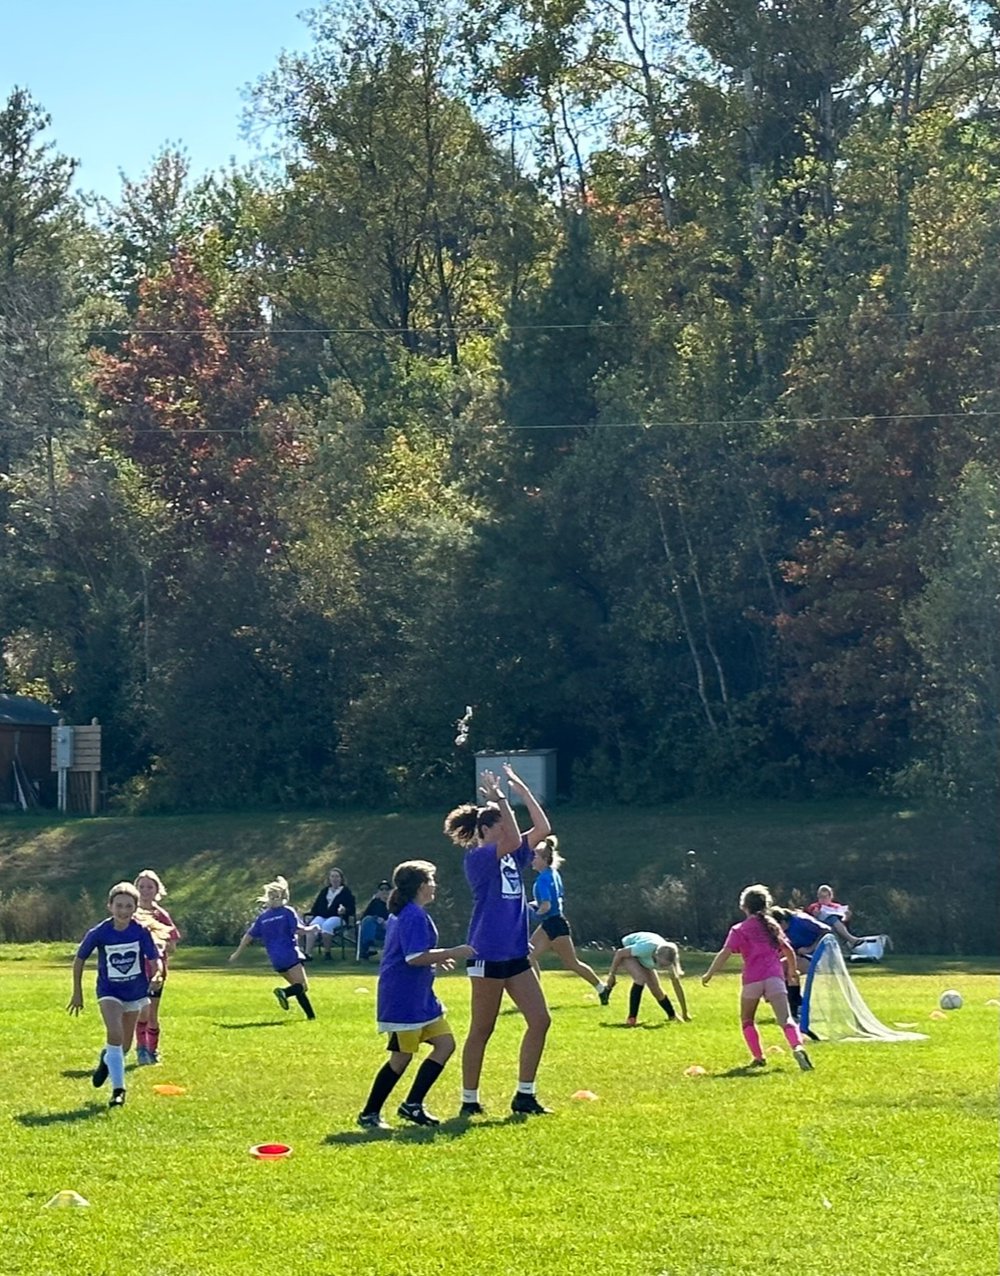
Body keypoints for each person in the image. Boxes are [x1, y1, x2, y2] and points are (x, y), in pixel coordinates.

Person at [444, 764, 553, 1118]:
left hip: (516, 954)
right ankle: (469, 1099)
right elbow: (514, 839)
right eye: (502, 824)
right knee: (483, 1028)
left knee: (540, 1020)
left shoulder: (513, 855)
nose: (509, 829)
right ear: (485, 831)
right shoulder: (478, 859)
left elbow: (543, 828)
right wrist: (501, 799)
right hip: (487, 953)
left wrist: (520, 789)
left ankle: (525, 1095)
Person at [357, 861, 475, 1130]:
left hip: (421, 998)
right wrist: (452, 952)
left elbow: (419, 953)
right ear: (421, 886)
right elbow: (413, 958)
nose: (435, 885)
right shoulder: (411, 915)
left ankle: (412, 1105)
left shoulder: (414, 912)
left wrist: (437, 958)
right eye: (432, 880)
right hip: (402, 999)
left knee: (445, 1045)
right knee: (401, 1057)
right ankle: (369, 1113)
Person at [67, 881, 164, 1108]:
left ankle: (106, 1059)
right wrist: (77, 992)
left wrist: (157, 974)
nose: (123, 911)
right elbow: (79, 959)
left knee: (124, 1046)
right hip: (109, 992)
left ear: (135, 908)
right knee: (114, 1031)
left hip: (135, 993)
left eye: (128, 906)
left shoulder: (140, 932)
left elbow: (154, 958)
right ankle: (118, 1090)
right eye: (118, 906)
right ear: (109, 906)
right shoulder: (100, 932)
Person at [701, 884, 814, 1071]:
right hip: (774, 977)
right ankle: (797, 1047)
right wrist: (792, 972)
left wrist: (709, 974)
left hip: (752, 979)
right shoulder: (771, 926)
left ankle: (758, 1057)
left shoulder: (739, 929)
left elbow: (725, 953)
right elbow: (788, 950)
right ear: (765, 905)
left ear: (743, 906)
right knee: (786, 1019)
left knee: (747, 1020)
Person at [528, 836, 610, 1002]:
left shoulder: (542, 880)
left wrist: (531, 914)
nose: (531, 859)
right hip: (552, 923)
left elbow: (546, 906)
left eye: (534, 856)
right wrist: (530, 905)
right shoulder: (552, 874)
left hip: (555, 924)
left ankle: (602, 988)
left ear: (545, 859)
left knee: (571, 963)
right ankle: (536, 997)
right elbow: (550, 900)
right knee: (528, 957)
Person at [229, 877, 316, 1020]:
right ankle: (283, 992)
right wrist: (312, 928)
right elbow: (298, 930)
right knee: (302, 986)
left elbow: (248, 935)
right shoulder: (287, 911)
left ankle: (311, 1017)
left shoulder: (263, 917)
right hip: (289, 954)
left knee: (296, 986)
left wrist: (237, 953)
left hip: (275, 959)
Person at [131, 869, 180, 1065]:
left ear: (157, 889)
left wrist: (158, 943)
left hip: (155, 970)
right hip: (135, 969)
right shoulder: (131, 912)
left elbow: (173, 944)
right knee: (140, 1010)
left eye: (149, 887)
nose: (145, 890)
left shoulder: (161, 915)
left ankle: (153, 1049)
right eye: (141, 886)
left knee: (152, 1012)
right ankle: (141, 1049)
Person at [604, 932, 689, 1025]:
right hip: (627, 949)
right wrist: (612, 975)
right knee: (640, 979)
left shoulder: (669, 958)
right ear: (655, 955)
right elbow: (620, 953)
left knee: (656, 988)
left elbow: (677, 986)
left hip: (642, 955)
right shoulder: (646, 948)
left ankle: (672, 1016)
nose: (662, 967)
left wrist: (685, 1013)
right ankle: (631, 1019)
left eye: (665, 966)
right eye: (660, 964)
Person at [771, 907, 831, 1025]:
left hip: (821, 957)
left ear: (782, 922)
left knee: (786, 967)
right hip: (803, 957)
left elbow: (827, 931)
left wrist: (810, 949)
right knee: (779, 968)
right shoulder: (783, 931)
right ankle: (795, 1005)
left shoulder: (801, 920)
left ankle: (796, 1006)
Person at [303, 867, 356, 960]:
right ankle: (307, 954)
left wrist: (344, 910)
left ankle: (327, 953)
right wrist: (312, 915)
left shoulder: (346, 892)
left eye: (337, 877)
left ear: (341, 879)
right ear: (329, 879)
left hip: (338, 917)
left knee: (327, 925)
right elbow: (316, 907)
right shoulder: (324, 891)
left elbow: (351, 908)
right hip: (322, 916)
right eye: (332, 877)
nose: (334, 879)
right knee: (313, 926)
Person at [358, 880, 391, 961]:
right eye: (381, 889)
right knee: (368, 920)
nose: (384, 891)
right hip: (375, 930)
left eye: (386, 889)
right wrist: (376, 918)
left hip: (389, 930)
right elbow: (364, 917)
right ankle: (368, 947)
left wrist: (385, 922)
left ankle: (369, 947)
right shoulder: (375, 903)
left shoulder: (395, 903)